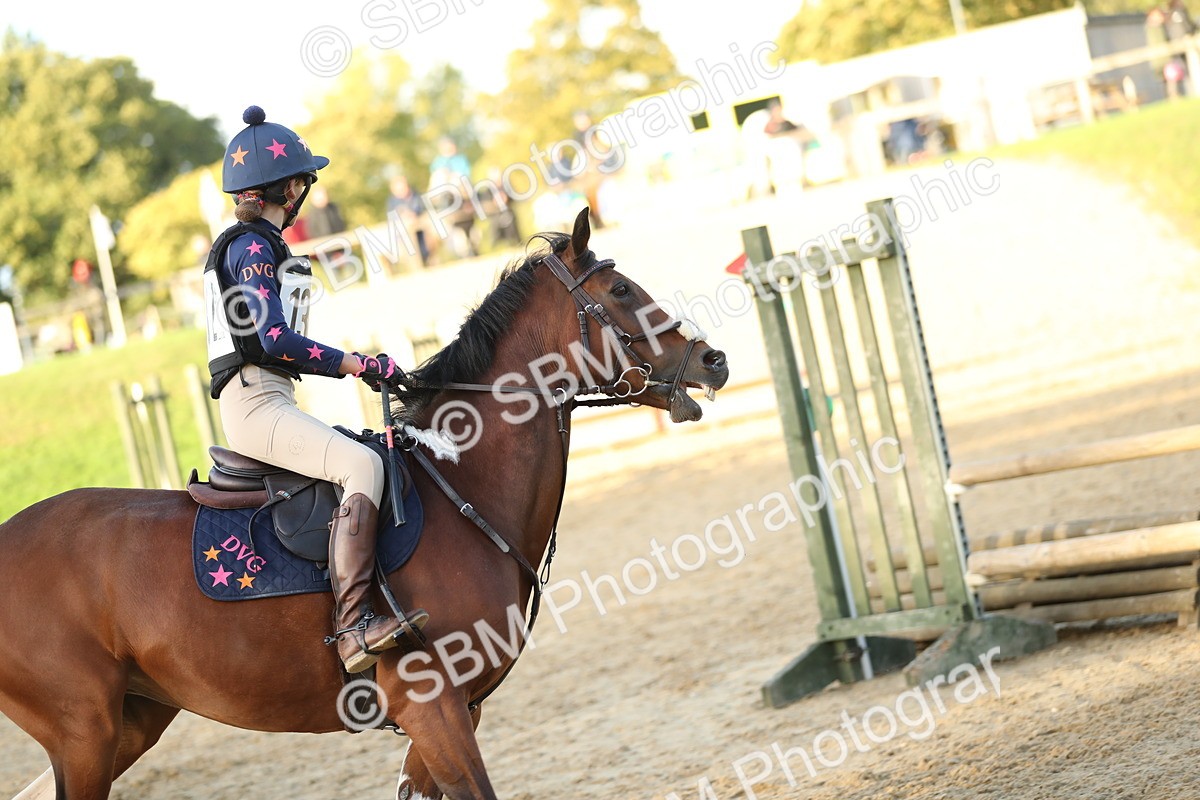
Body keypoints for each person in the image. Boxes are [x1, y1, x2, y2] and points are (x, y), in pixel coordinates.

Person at [205, 105, 428, 673]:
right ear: (284, 187)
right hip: (255, 400)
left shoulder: (256, 244)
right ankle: (353, 625)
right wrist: (352, 363)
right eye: (301, 179)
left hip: (270, 396)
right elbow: (273, 337)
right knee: (361, 467)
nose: (304, 189)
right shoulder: (252, 245)